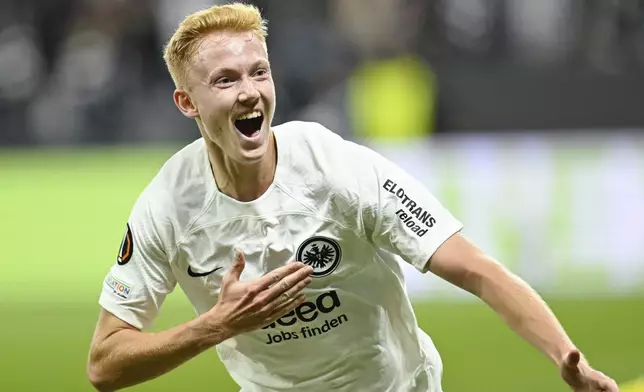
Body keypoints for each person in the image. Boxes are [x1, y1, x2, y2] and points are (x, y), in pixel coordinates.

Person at [86, 3, 620, 392]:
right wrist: (216, 325)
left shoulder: (335, 168)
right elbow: (105, 364)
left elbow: (476, 269)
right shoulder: (168, 206)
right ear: (187, 103)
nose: (249, 91)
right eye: (224, 80)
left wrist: (565, 357)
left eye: (259, 72)